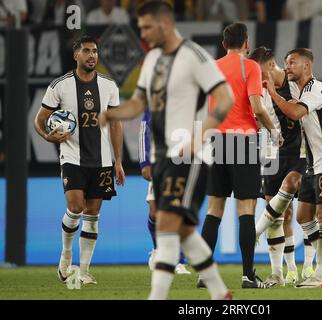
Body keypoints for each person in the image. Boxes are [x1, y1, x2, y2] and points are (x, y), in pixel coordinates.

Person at [99, 1, 234, 300]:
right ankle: (220, 292)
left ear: (165, 24)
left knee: (167, 224)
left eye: (147, 27)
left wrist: (200, 137)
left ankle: (157, 296)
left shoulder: (194, 56)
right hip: (162, 158)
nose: (143, 34)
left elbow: (225, 99)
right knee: (183, 231)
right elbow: (138, 103)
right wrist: (113, 114)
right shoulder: (151, 61)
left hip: (189, 155)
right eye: (140, 28)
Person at [34, 35, 126, 285]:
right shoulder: (60, 86)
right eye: (86, 51)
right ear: (76, 55)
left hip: (103, 160)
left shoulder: (108, 85)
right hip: (73, 157)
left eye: (94, 51)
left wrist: (118, 161)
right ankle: (65, 255)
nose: (91, 55)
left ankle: (83, 270)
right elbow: (40, 119)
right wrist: (48, 136)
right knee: (75, 207)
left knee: (93, 214)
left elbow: (116, 124)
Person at [199, 23, 280, 290]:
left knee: (214, 209)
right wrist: (272, 129)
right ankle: (247, 275)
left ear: (224, 44)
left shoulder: (212, 67)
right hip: (243, 141)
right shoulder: (251, 67)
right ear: (246, 43)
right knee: (246, 209)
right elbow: (257, 106)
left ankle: (205, 274)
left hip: (217, 139)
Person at [264, 48, 322, 288]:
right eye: (286, 63)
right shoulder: (302, 92)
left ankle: (319, 275)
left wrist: (273, 94)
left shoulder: (315, 88)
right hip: (313, 164)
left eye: (292, 63)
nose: (287, 67)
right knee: (302, 217)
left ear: (306, 67)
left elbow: (294, 111)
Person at [249, 46, 306, 287]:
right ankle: (279, 274)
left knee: (298, 211)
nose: (258, 79)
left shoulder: (295, 83)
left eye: (261, 74)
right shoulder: (257, 87)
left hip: (300, 152)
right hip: (272, 152)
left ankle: (294, 266)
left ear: (272, 66)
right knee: (279, 214)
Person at [139, 109, 190, 274]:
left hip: (183, 162)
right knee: (155, 211)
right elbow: (144, 130)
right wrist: (144, 162)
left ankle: (179, 260)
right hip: (159, 162)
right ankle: (157, 250)